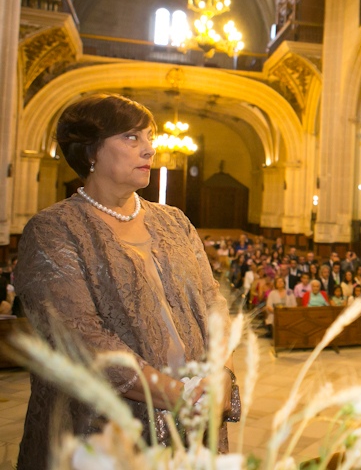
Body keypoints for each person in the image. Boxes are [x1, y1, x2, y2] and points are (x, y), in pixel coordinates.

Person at [13, 94, 240, 470]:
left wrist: (221, 374)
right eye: (131, 138)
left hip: (192, 419)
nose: (149, 149)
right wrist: (181, 395)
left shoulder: (175, 221)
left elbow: (213, 302)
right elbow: (78, 337)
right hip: (104, 430)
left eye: (149, 138)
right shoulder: (53, 229)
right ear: (90, 152)